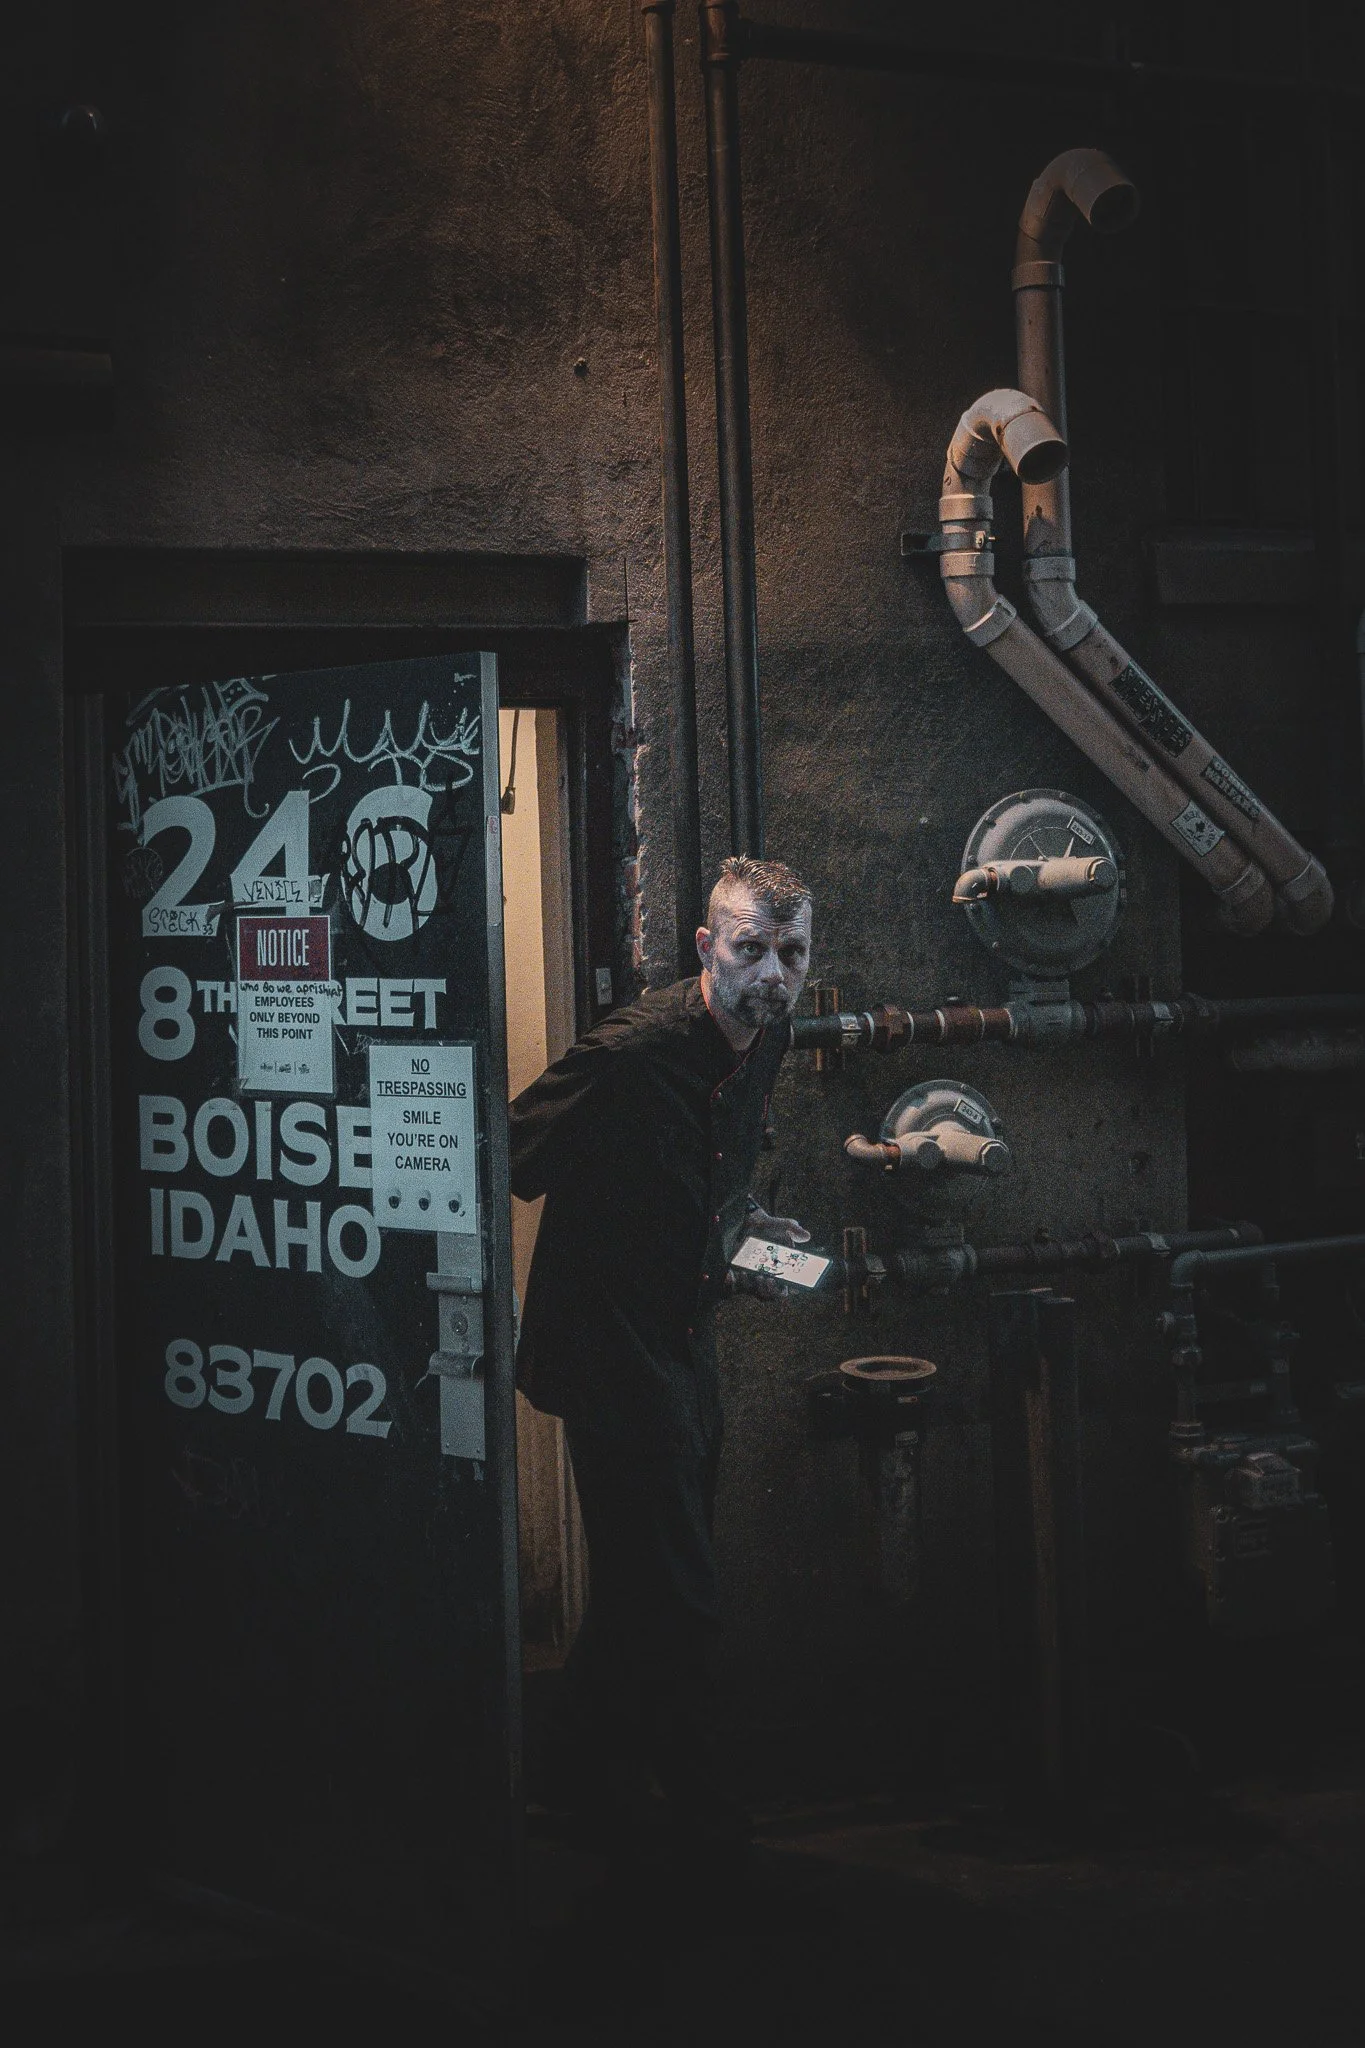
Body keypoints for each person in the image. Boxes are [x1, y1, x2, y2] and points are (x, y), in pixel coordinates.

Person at [509, 855, 814, 1846]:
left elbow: (711, 1178)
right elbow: (511, 1153)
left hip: (686, 1336)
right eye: (752, 948)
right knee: (680, 1595)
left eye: (793, 951)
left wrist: (750, 1234)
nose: (774, 971)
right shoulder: (635, 1049)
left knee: (645, 1580)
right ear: (705, 947)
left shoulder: (765, 1035)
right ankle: (701, 1814)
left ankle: (566, 1774)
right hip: (609, 1349)